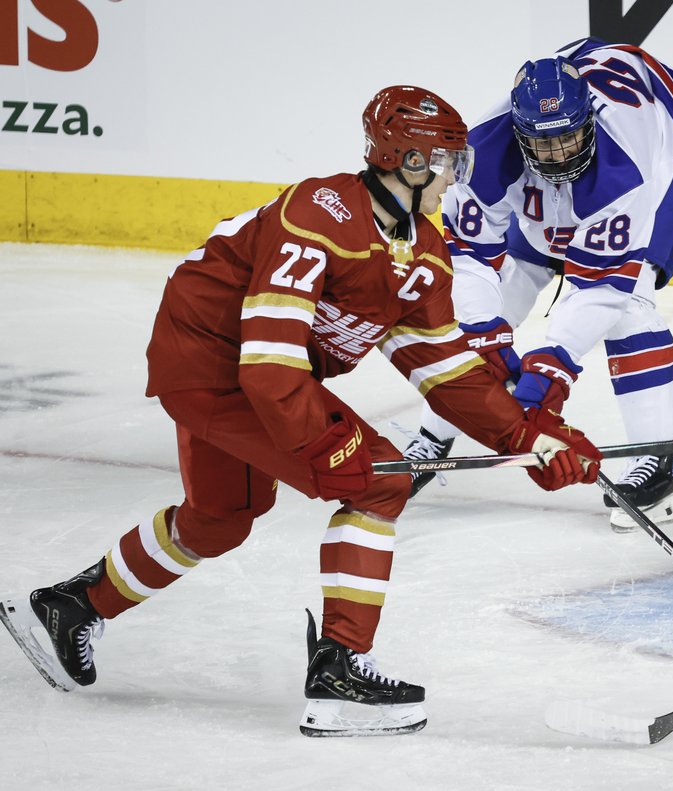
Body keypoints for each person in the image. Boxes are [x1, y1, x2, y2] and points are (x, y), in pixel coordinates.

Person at [0, 86, 601, 737]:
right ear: (411, 160)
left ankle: (70, 608)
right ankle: (341, 671)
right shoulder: (320, 212)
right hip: (211, 360)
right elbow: (267, 361)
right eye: (451, 161)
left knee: (221, 519)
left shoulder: (422, 253)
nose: (459, 176)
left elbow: (446, 371)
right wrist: (326, 444)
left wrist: (531, 436)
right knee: (383, 480)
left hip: (249, 372)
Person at [402, 38, 673, 532]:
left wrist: (551, 368)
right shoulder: (483, 152)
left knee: (632, 305)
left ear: (588, 118)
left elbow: (601, 289)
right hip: (557, 157)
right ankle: (434, 432)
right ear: (519, 132)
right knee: (503, 295)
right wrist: (485, 334)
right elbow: (467, 260)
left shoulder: (628, 167)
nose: (558, 154)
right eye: (543, 143)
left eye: (568, 137)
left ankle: (661, 461)